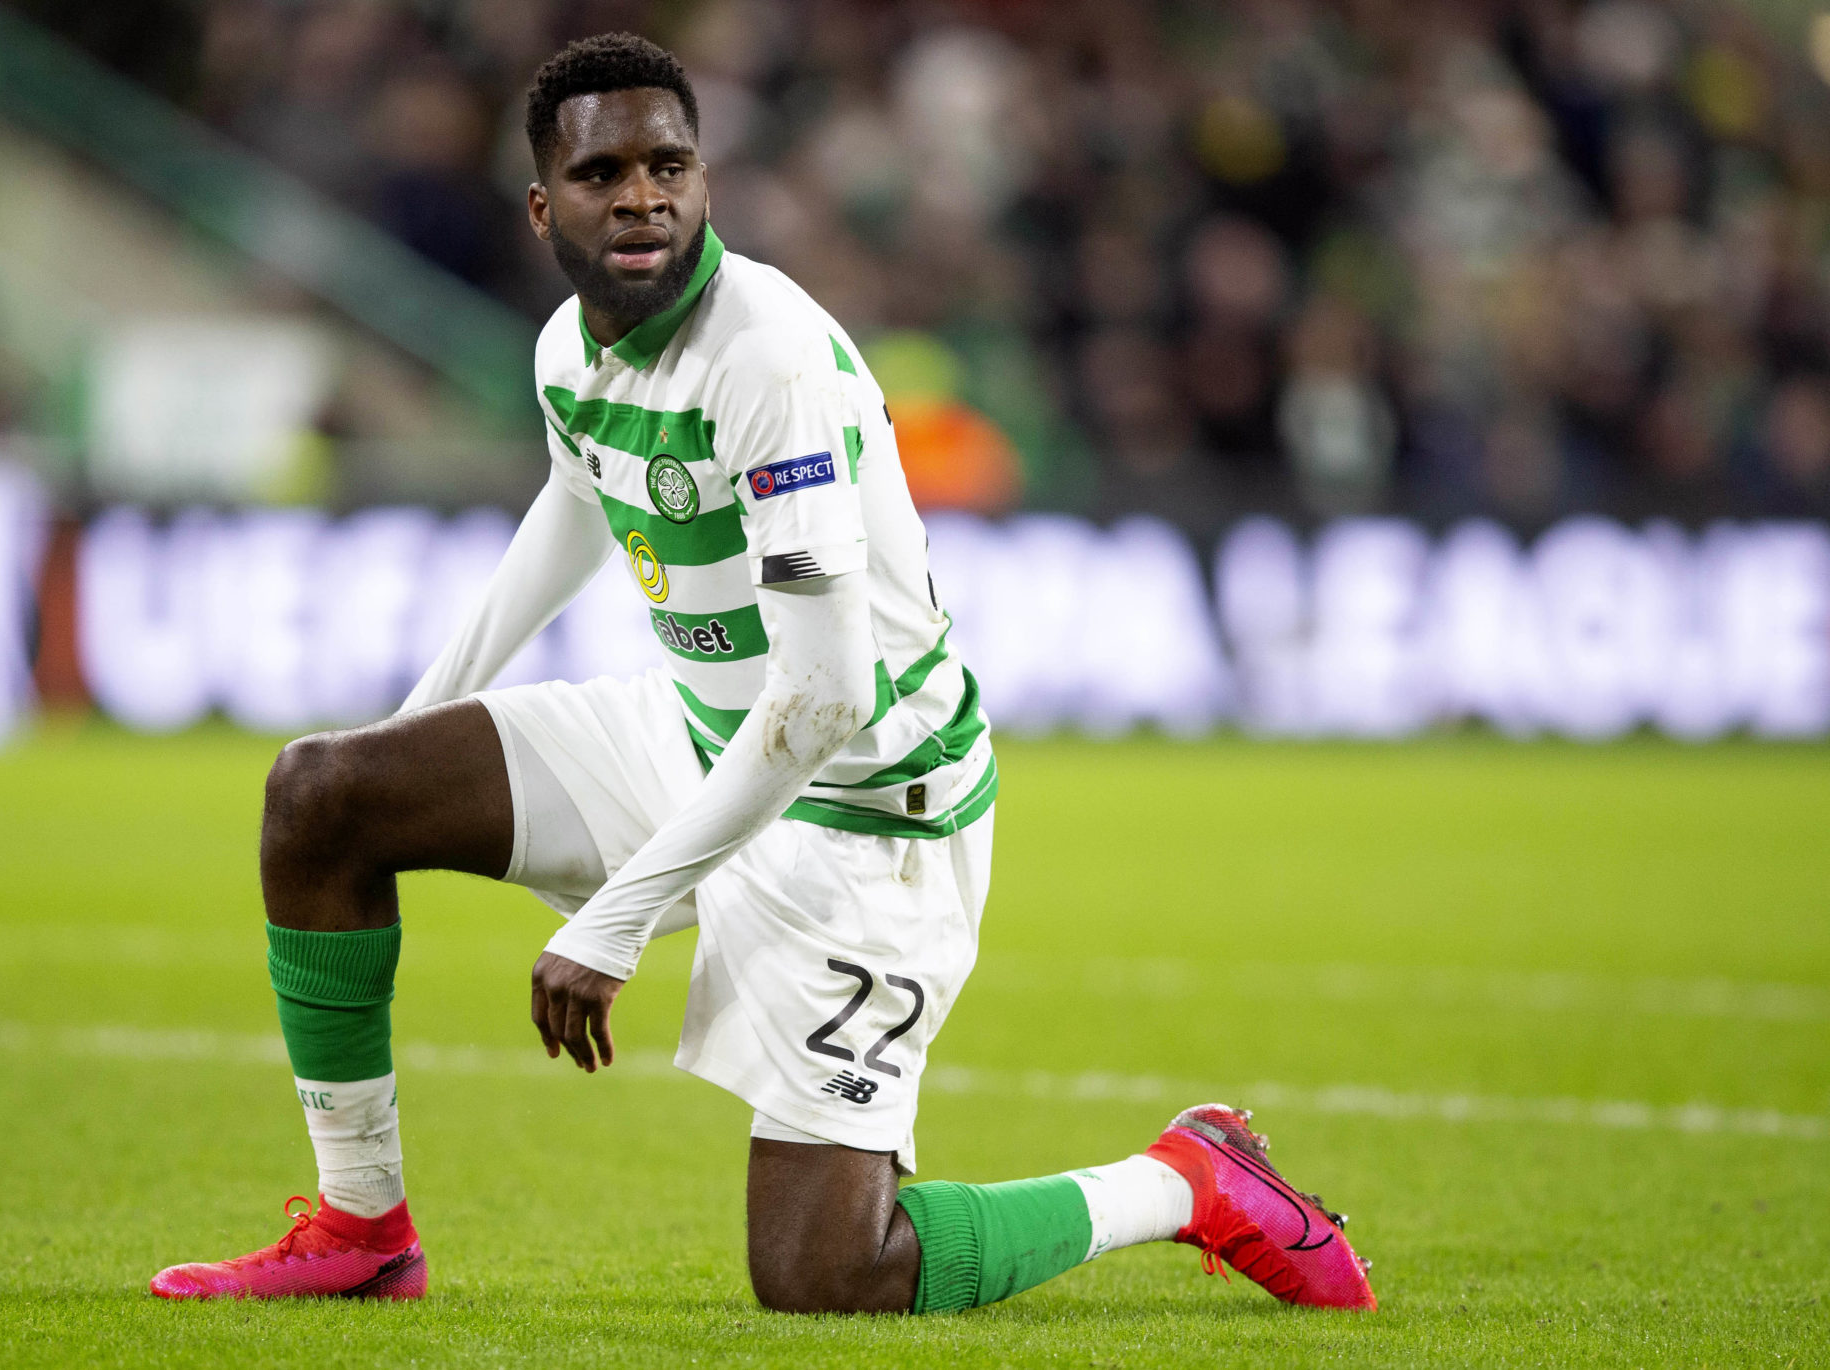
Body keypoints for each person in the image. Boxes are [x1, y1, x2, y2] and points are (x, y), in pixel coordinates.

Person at [148, 33, 1375, 1315]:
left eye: (668, 164)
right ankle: (361, 1228)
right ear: (541, 204)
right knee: (324, 794)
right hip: (697, 738)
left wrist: (618, 913)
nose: (641, 195)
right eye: (603, 170)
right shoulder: (572, 347)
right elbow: (577, 497)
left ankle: (1186, 1179)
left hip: (862, 815)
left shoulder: (767, 359)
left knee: (828, 1274)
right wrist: (407, 723)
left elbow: (826, 696)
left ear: (704, 181)